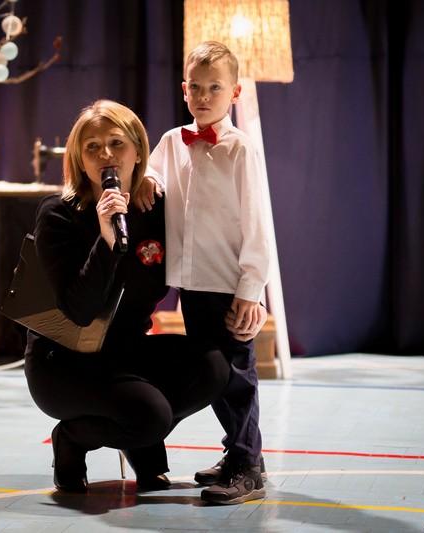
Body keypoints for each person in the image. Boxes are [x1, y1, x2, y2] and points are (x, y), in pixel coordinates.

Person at [24, 99, 267, 494]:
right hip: (65, 364)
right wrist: (106, 239)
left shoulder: (154, 210)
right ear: (79, 159)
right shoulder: (58, 214)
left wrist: (250, 296)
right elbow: (80, 310)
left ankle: (139, 431)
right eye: (92, 147)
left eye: (117, 143)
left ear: (139, 152)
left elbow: (209, 249)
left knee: (213, 366)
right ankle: (73, 438)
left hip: (125, 351)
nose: (106, 154)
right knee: (150, 416)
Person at [137, 41, 272, 505]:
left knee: (237, 379)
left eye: (214, 87)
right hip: (193, 285)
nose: (203, 95)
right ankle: (239, 453)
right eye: (195, 87)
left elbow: (258, 224)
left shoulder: (240, 150)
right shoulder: (172, 141)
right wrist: (150, 180)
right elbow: (154, 175)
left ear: (234, 92)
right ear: (184, 89)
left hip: (230, 286)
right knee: (214, 377)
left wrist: (251, 290)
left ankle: (248, 467)